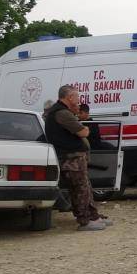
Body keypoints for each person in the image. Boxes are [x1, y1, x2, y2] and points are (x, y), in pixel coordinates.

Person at [44, 86, 110, 231]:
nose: (79, 101)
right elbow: (83, 132)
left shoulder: (62, 112)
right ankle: (85, 220)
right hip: (70, 158)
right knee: (80, 188)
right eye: (77, 97)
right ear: (69, 97)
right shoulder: (62, 113)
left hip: (73, 157)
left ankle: (93, 216)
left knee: (84, 187)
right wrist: (82, 128)